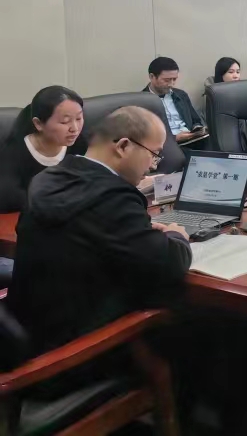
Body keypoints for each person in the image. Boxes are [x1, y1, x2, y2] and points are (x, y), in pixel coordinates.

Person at [7, 107, 191, 353]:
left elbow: (90, 237)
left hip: (31, 329)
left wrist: (140, 233)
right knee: (186, 311)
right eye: (154, 154)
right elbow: (170, 264)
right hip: (74, 352)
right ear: (123, 146)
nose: (152, 166)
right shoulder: (113, 197)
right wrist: (176, 235)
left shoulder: (46, 178)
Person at [0, 86, 85, 214]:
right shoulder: (14, 153)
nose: (75, 128)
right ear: (38, 124)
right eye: (65, 121)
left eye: (78, 119)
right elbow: (9, 199)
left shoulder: (79, 144)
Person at [143, 56, 207, 143]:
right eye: (167, 80)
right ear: (152, 77)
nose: (171, 84)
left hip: (191, 139)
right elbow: (144, 136)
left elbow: (195, 120)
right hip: (167, 144)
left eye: (174, 79)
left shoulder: (181, 95)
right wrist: (174, 138)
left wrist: (197, 129)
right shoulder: (142, 101)